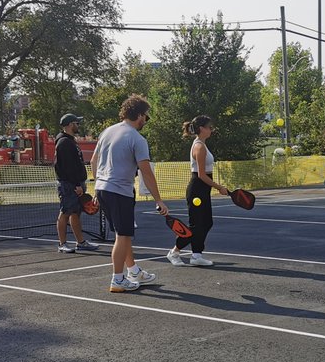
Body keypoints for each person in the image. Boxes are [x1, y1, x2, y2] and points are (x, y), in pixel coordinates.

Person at [90, 95, 169, 293]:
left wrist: (97, 186)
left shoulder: (108, 131)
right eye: (146, 117)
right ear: (140, 115)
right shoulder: (137, 139)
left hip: (103, 189)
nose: (146, 121)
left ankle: (133, 271)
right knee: (123, 235)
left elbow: (93, 161)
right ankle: (118, 279)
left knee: (122, 234)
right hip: (119, 192)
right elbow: (146, 172)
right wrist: (158, 199)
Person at [167, 115, 228, 267]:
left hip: (203, 189)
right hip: (197, 189)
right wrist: (219, 187)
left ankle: (196, 255)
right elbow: (201, 175)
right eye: (209, 127)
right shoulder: (199, 146)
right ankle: (174, 252)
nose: (211, 130)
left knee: (206, 223)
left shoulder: (202, 144)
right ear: (202, 129)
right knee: (196, 225)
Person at [53, 113, 99, 253]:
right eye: (76, 123)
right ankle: (62, 244)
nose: (78, 125)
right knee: (65, 212)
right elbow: (67, 167)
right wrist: (76, 185)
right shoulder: (64, 142)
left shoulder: (69, 141)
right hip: (69, 185)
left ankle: (81, 242)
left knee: (76, 213)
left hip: (75, 183)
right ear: (69, 125)